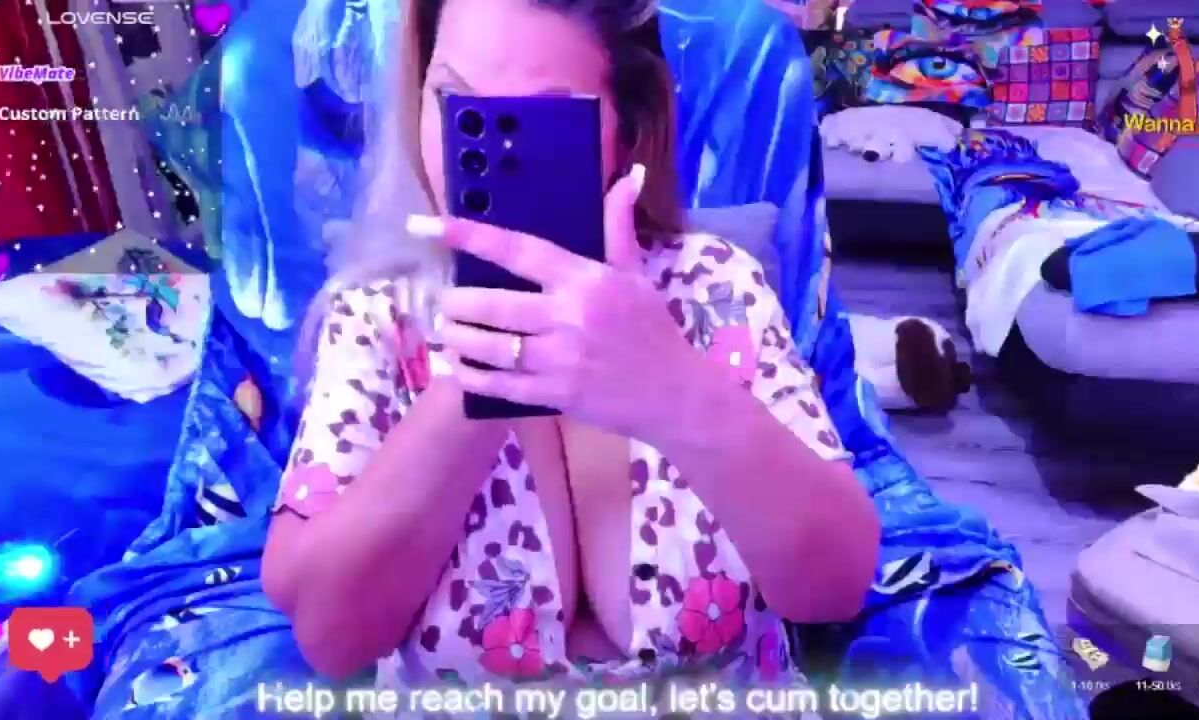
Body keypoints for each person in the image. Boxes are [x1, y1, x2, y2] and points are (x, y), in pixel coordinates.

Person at [261, 0, 881, 710]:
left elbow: (835, 585)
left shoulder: (716, 288)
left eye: (541, 119)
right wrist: (485, 370)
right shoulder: (378, 320)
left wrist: (673, 389)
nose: (486, 157)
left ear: (626, 130)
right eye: (457, 104)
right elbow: (331, 639)